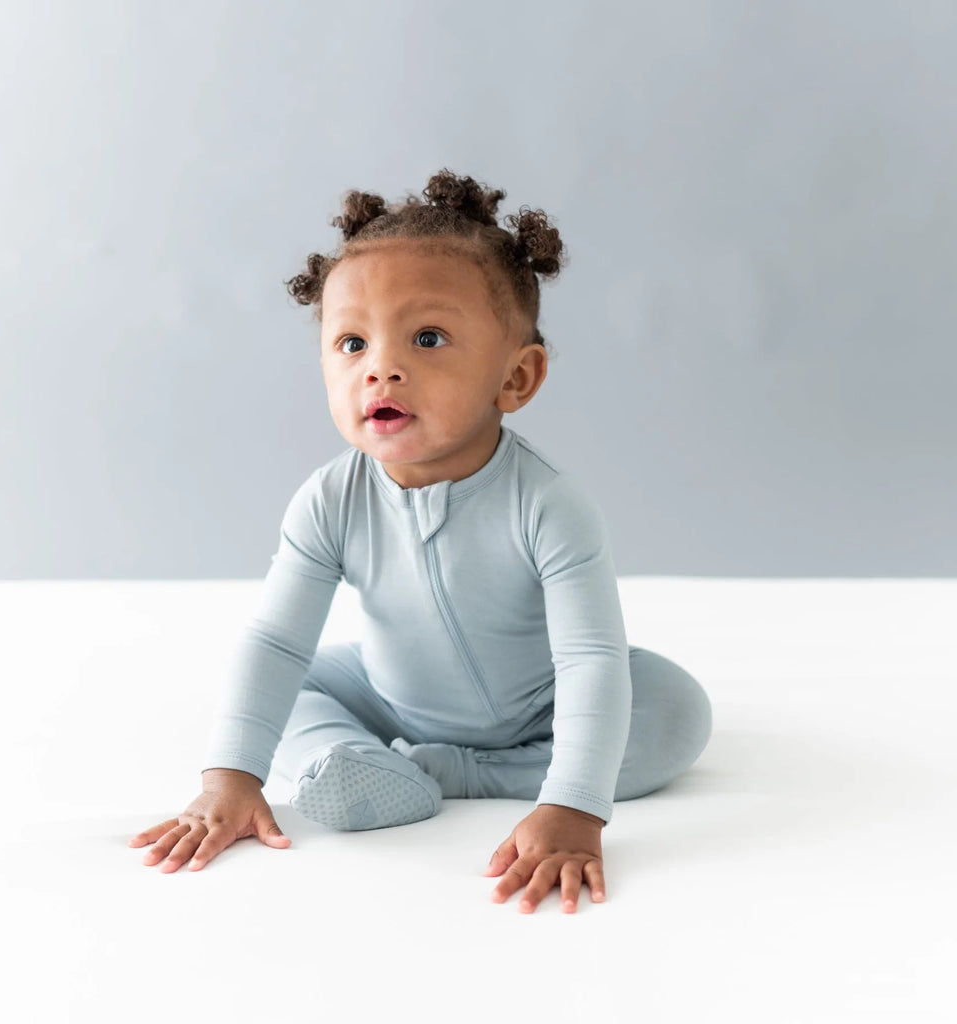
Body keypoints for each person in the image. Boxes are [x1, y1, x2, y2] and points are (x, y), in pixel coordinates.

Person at [129, 169, 713, 913]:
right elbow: (276, 643)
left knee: (675, 712)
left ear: (517, 377)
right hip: (390, 695)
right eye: (352, 342)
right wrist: (231, 777)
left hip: (540, 706)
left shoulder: (548, 505)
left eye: (427, 338)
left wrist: (573, 805)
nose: (381, 367)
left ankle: (452, 774)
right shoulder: (329, 499)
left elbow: (589, 659)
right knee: (292, 682)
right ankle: (351, 760)